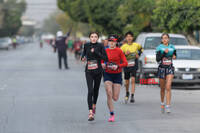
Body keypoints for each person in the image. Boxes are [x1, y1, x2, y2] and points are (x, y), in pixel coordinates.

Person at [81, 32, 108, 121]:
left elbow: (105, 58)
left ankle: (94, 105)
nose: (93, 38)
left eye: (95, 37)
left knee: (96, 90)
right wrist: (83, 58)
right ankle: (90, 113)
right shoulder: (86, 45)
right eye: (92, 37)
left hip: (98, 71)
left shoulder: (100, 46)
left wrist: (97, 53)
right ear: (89, 38)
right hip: (89, 70)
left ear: (98, 38)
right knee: (90, 90)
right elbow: (83, 55)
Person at [102, 35, 128, 122]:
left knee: (115, 98)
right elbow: (101, 62)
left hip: (117, 75)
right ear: (108, 42)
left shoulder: (119, 51)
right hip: (107, 74)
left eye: (113, 41)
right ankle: (111, 114)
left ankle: (113, 89)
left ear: (116, 42)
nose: (111, 42)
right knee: (109, 93)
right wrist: (103, 65)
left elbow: (125, 63)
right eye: (110, 41)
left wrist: (117, 66)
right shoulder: (105, 51)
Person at [120, 31, 143, 104]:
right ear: (126, 38)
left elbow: (141, 49)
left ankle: (132, 95)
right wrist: (124, 54)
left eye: (130, 36)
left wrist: (138, 54)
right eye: (127, 36)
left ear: (132, 38)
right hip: (126, 65)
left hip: (134, 64)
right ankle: (127, 92)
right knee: (127, 82)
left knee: (133, 80)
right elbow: (119, 55)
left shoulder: (136, 45)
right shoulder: (123, 47)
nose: (129, 38)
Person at [156, 33, 176, 113]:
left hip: (170, 68)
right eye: (163, 38)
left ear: (168, 39)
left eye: (166, 38)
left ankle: (168, 105)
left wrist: (174, 56)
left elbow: (174, 54)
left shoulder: (172, 47)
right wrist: (164, 53)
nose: (165, 40)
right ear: (161, 40)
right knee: (162, 88)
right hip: (161, 69)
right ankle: (162, 102)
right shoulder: (159, 48)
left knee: (168, 87)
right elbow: (157, 59)